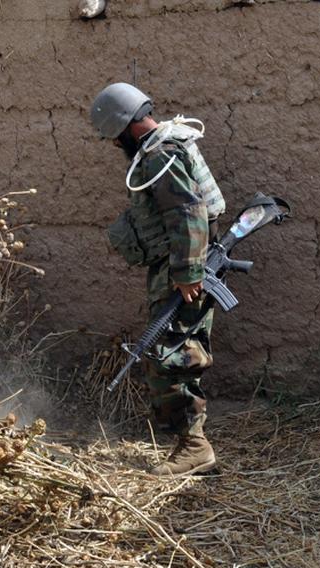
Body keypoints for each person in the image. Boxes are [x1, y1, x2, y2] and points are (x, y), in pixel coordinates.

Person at [90, 83, 226, 476]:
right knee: (178, 349)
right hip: (185, 265)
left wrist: (186, 274)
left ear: (125, 127)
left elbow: (188, 212)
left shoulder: (158, 154)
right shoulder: (168, 143)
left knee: (170, 355)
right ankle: (192, 443)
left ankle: (194, 447)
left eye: (115, 138)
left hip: (183, 270)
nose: (116, 146)